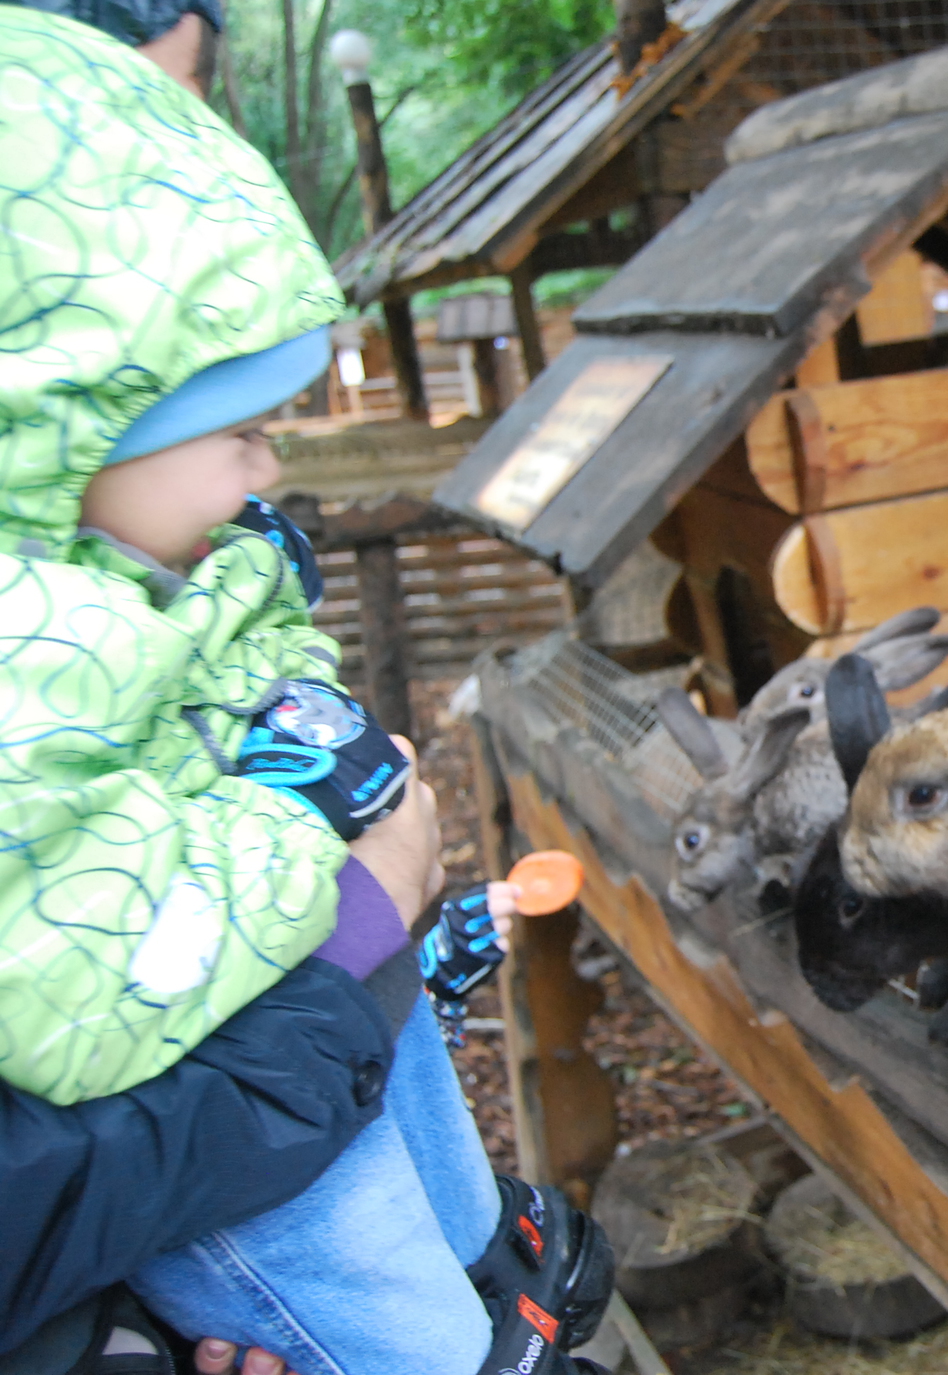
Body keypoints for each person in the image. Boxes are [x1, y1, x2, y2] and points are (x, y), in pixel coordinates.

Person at [0, 8, 610, 1373]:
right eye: (241, 433)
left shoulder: (134, 582)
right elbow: (90, 962)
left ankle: (478, 1284)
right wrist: (343, 883)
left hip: (247, 1092)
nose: (271, 469)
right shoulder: (33, 659)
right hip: (229, 1148)